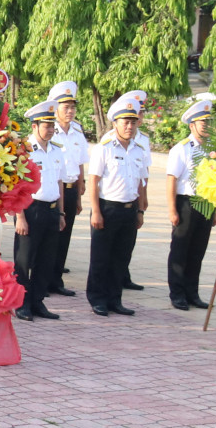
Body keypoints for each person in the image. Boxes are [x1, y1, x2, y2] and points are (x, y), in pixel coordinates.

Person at [86, 92, 150, 318]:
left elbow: (142, 181)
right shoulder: (104, 148)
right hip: (107, 208)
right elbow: (93, 181)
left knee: (121, 258)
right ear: (115, 123)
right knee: (101, 257)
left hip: (129, 209)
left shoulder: (139, 150)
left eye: (133, 122)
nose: (130, 127)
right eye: (126, 122)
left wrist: (140, 210)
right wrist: (96, 211)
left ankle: (115, 300)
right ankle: (97, 299)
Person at [11, 105, 66, 321]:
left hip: (51, 210)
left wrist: (61, 213)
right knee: (24, 261)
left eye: (53, 126)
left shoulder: (57, 150)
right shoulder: (24, 150)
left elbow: (59, 182)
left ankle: (37, 301)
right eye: (47, 125)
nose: (51, 129)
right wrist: (20, 217)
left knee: (46, 260)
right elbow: (16, 185)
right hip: (31, 210)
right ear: (34, 126)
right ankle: (21, 303)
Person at [163, 99, 216, 312]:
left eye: (209, 122)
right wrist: (172, 209)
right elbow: (171, 180)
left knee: (197, 252)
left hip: (206, 204)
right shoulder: (181, 149)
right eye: (203, 123)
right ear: (191, 125)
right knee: (180, 250)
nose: (207, 126)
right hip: (186, 204)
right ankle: (177, 294)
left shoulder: (213, 148)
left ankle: (192, 292)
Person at [45, 82, 89, 297]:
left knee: (65, 235)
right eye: (66, 107)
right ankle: (44, 279)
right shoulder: (48, 131)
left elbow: (80, 163)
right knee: (51, 236)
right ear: (56, 107)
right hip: (53, 190)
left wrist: (80, 191)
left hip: (71, 190)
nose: (70, 111)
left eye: (73, 107)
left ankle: (56, 279)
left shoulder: (77, 132)